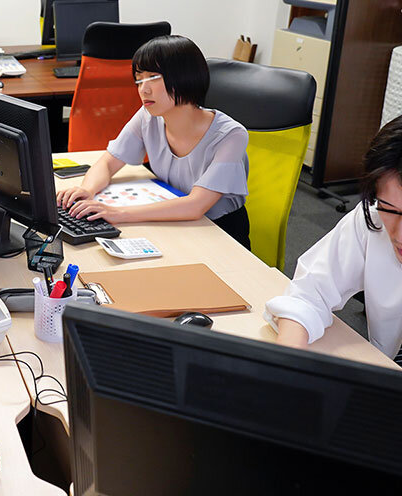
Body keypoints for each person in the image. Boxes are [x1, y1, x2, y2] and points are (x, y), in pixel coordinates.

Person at [56, 35, 250, 247]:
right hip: (171, 219)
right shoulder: (148, 116)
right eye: (139, 79)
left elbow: (196, 205)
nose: (143, 89)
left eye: (153, 78)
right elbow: (108, 162)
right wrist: (87, 189)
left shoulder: (231, 135)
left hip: (217, 231)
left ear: (185, 77)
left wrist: (118, 213)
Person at [266, 116, 402, 362]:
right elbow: (309, 293)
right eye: (389, 208)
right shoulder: (372, 219)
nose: (399, 235)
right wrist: (288, 362)